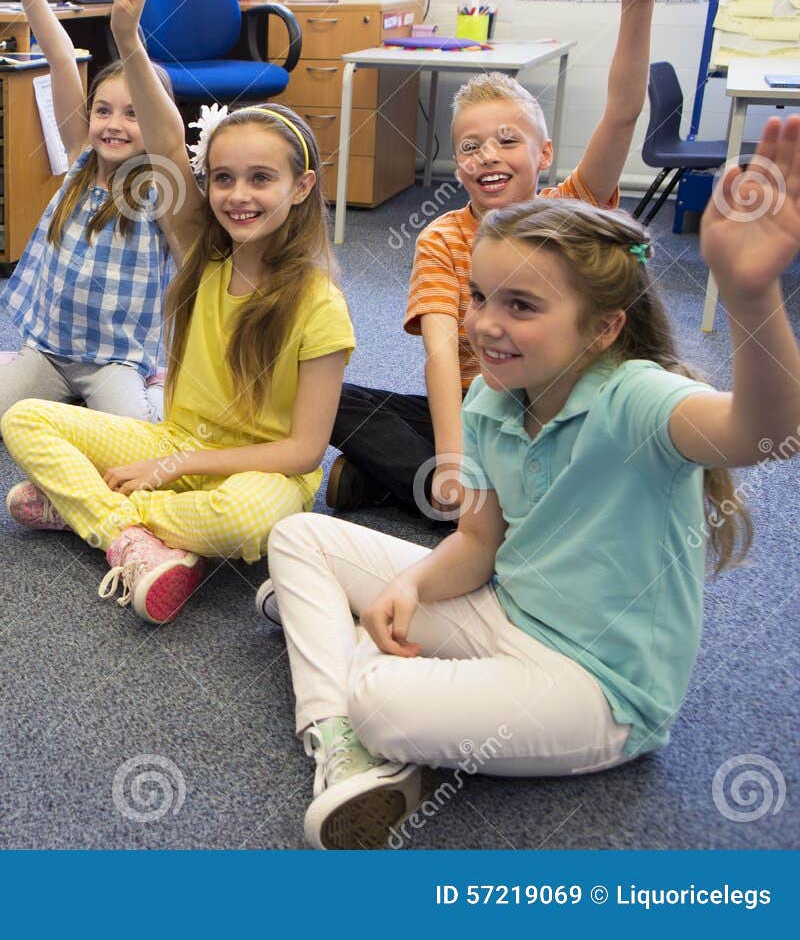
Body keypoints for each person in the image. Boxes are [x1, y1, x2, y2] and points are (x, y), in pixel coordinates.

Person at [266, 139, 800, 847]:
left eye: (521, 304)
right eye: (481, 296)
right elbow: (479, 543)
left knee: (374, 689)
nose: (486, 323)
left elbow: (770, 436)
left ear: (604, 327)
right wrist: (416, 582)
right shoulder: (491, 396)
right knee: (297, 535)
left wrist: (749, 295)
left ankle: (342, 694)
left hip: (599, 687)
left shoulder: (634, 396)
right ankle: (344, 737)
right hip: (506, 612)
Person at [0, 0, 352, 625]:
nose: (238, 196)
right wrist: (127, 40)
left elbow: (305, 451)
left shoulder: (322, 304)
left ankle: (96, 510)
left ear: (302, 186)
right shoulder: (202, 253)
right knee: (22, 418)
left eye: (261, 179)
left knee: (246, 522)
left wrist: (158, 477)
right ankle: (134, 537)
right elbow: (164, 146)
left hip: (260, 470)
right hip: (175, 440)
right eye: (222, 178)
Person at [327, 0, 673, 520]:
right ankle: (476, 496)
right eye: (470, 146)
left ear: (543, 155)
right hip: (473, 409)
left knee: (612, 443)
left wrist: (636, 1)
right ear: (455, 162)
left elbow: (622, 113)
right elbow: (440, 355)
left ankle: (419, 487)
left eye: (508, 141)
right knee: (327, 398)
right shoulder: (442, 237)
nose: (487, 155)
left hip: (561, 409)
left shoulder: (575, 208)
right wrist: (455, 459)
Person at [0, 0, 178, 443]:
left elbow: (164, 132)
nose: (115, 125)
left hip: (114, 362)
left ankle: (153, 386)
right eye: (104, 111)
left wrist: (129, 37)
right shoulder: (79, 156)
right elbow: (57, 53)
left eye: (134, 113)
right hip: (49, 351)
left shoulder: (162, 188)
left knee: (135, 438)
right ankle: (15, 377)